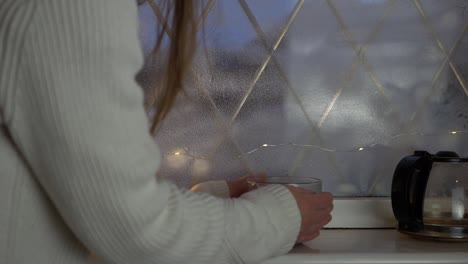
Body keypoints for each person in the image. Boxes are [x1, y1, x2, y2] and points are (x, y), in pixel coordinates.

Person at [0, 0, 333, 263]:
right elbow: (134, 231)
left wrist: (209, 202)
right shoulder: (73, 8)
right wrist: (279, 219)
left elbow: (51, 200)